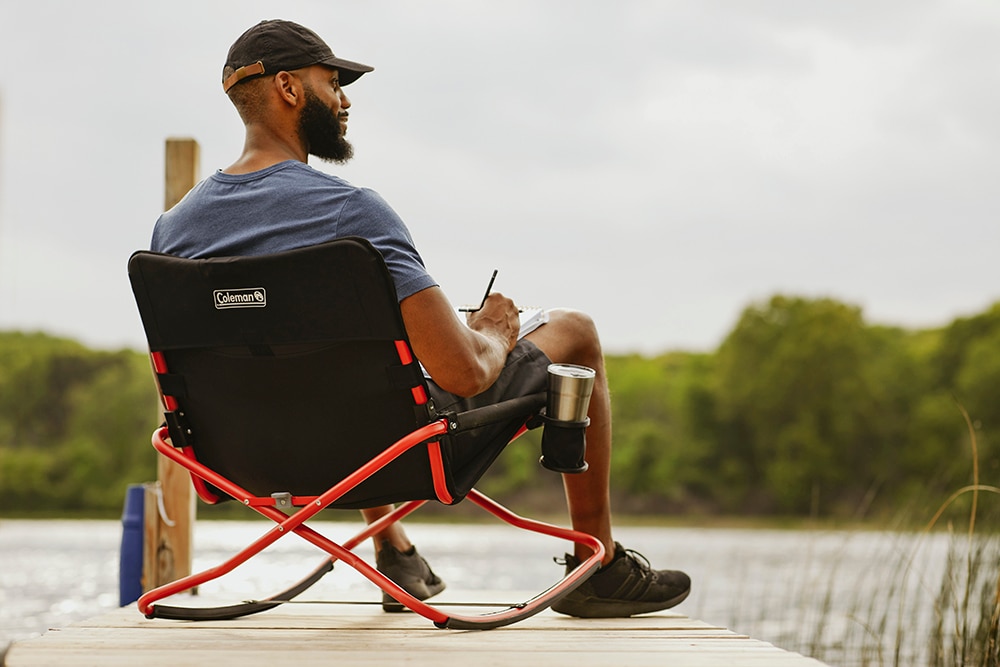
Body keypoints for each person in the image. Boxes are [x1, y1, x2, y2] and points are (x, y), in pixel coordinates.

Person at [151, 19, 690, 618]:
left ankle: (393, 549)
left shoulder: (173, 232)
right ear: (288, 87)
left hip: (236, 462)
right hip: (394, 454)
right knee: (575, 331)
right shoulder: (353, 214)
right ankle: (599, 564)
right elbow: (464, 374)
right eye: (333, 83)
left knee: (340, 369)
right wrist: (495, 328)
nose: (346, 99)